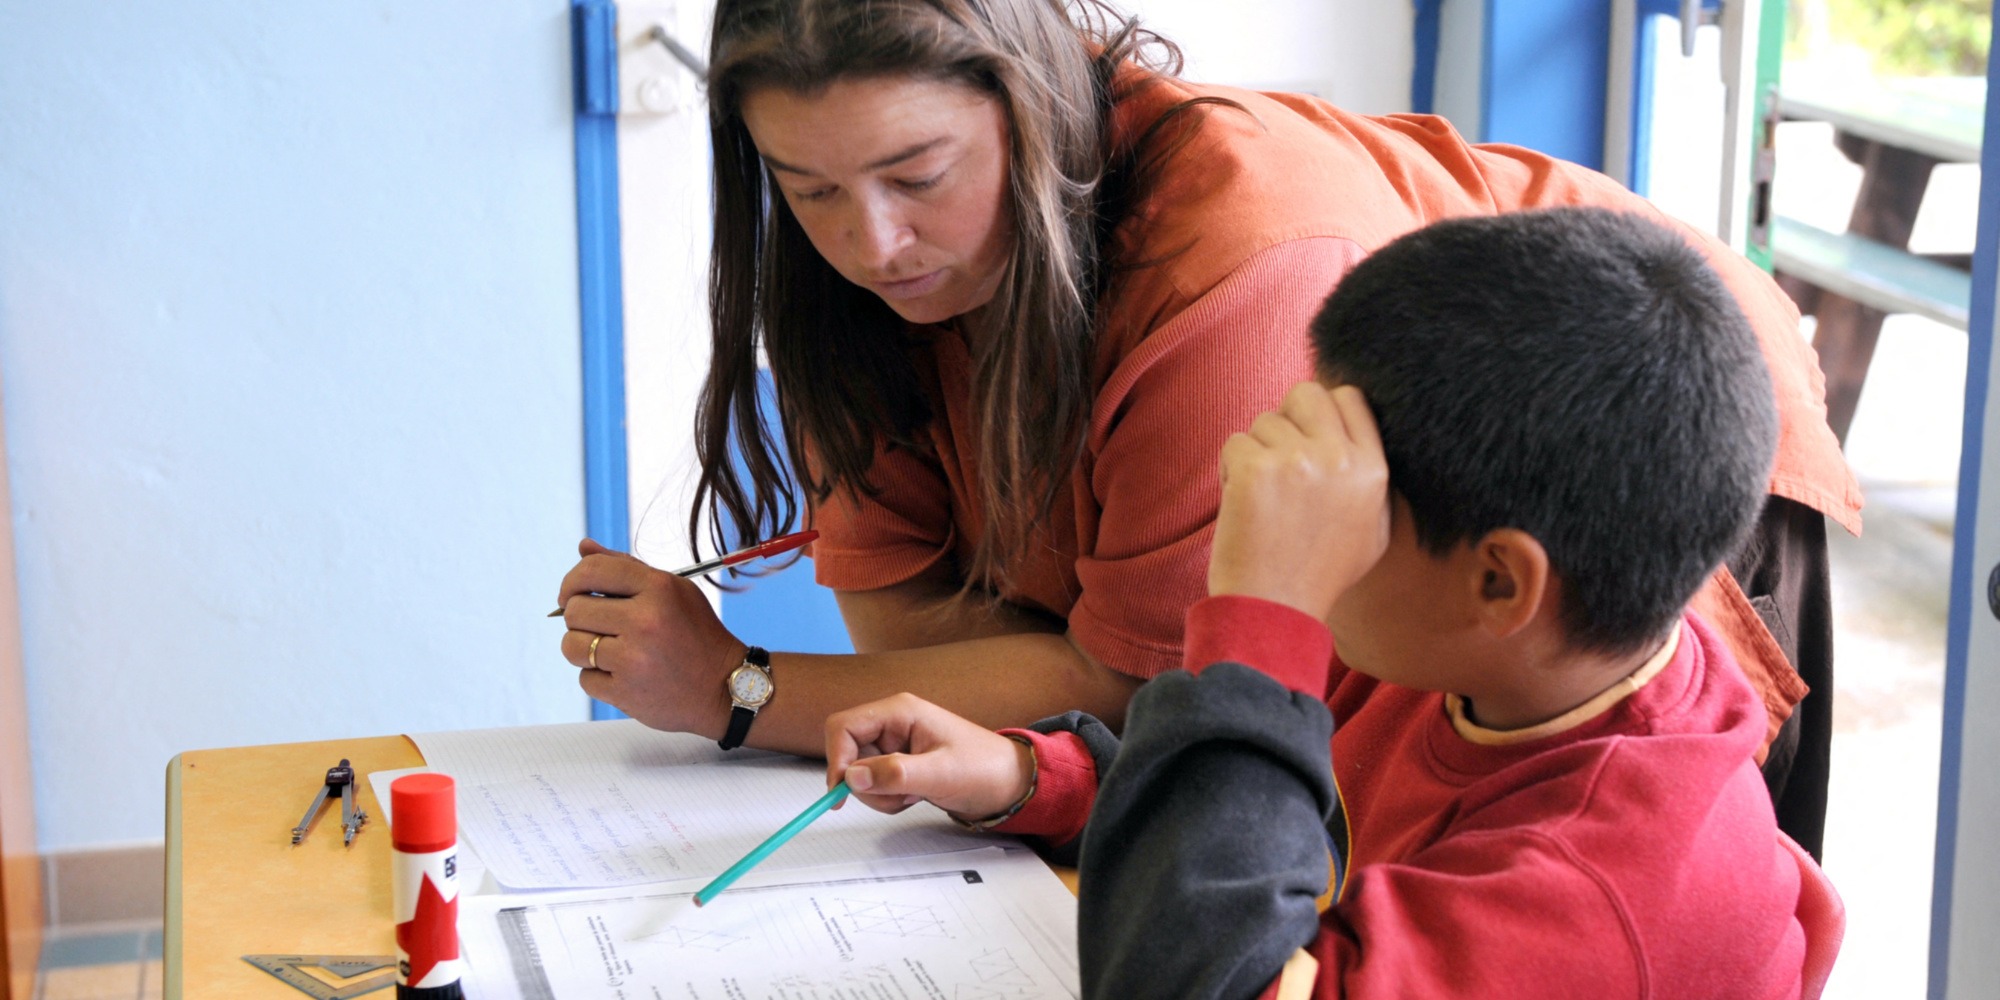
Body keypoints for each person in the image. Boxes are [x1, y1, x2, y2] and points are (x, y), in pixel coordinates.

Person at [551, 0, 1858, 855]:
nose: (868, 243)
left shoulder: (1237, 268)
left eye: (918, 177)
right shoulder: (864, 279)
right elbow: (932, 648)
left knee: (1576, 886)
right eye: (811, 189)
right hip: (1372, 623)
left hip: (1635, 447)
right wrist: (1033, 718)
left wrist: (740, 690)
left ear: (1036, 104)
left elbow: (1149, 697)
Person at [822, 207, 1845, 999]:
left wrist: (1265, 613)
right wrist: (1026, 775)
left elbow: (1195, 974)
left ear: (1498, 581)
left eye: (1344, 499)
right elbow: (1269, 812)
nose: (1265, 481)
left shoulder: (1600, 889)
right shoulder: (1481, 653)